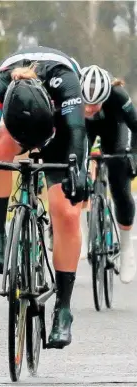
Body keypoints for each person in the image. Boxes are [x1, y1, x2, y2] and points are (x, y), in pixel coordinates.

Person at [0, 46, 87, 349]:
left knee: (67, 214)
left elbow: (77, 132)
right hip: (18, 126)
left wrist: (78, 175)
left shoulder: (66, 82)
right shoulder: (1, 82)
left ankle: (63, 308)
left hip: (60, 135)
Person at [77, 64, 137, 284]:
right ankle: (82, 233)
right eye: (87, 103)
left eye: (96, 103)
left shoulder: (118, 95)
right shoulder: (73, 93)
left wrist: (134, 158)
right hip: (84, 130)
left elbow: (136, 126)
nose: (91, 108)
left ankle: (126, 247)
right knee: (77, 172)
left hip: (115, 128)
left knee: (120, 185)